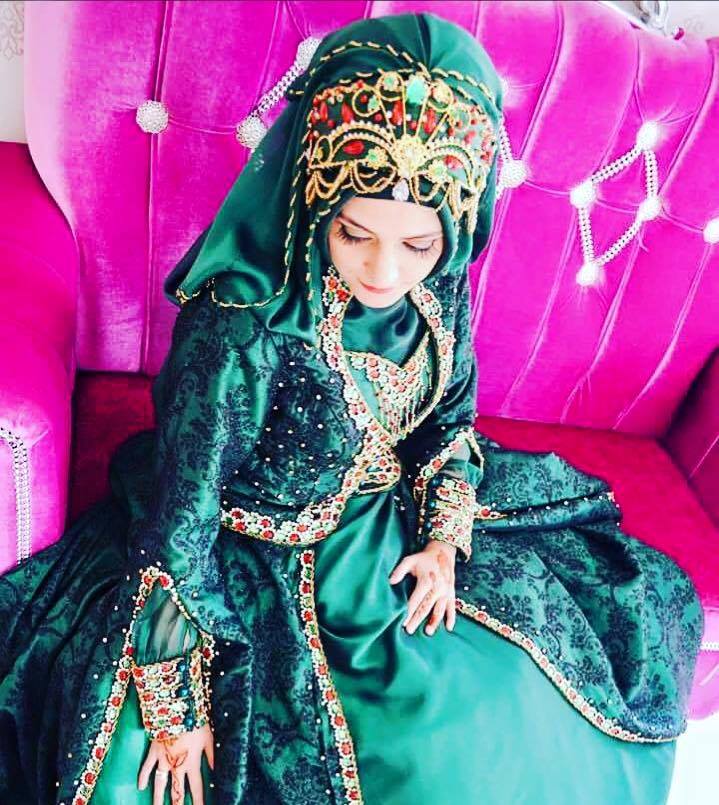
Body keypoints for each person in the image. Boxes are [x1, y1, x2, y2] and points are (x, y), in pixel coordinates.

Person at [0, 11, 704, 805]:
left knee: (527, 703)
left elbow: (448, 422)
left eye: (417, 245)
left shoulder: (433, 286)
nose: (383, 270)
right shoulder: (245, 324)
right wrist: (175, 710)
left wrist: (442, 541)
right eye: (354, 234)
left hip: (388, 537)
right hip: (254, 560)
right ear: (316, 196)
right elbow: (180, 528)